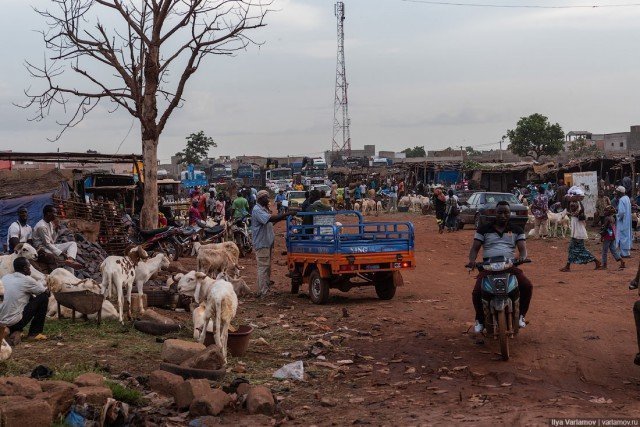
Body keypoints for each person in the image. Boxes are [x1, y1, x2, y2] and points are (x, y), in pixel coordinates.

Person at [465, 201, 532, 333]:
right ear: (495, 213)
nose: (503, 215)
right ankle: (480, 319)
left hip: (509, 265)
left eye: (506, 212)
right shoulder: (484, 229)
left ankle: (521, 316)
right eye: (500, 212)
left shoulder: (517, 230)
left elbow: (522, 249)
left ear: (510, 213)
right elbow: (474, 248)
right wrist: (472, 261)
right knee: (477, 292)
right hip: (488, 267)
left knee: (526, 286)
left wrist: (522, 257)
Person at [251, 190, 296, 297]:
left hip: (267, 242)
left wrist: (283, 217)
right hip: (262, 243)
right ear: (260, 199)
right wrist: (286, 214)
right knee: (263, 267)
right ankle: (263, 291)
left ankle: (265, 289)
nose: (268, 199)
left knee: (266, 267)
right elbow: (270, 219)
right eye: (266, 198)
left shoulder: (263, 209)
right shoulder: (257, 210)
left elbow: (270, 222)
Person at [0, 257, 50, 345]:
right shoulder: (27, 280)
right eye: (29, 267)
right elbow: (46, 292)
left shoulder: (5, 277)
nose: (30, 269)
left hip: (1, 321)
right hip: (14, 322)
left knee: (28, 295)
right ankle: (34, 333)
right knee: (43, 297)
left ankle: (11, 331)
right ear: (25, 268)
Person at [560, 187, 602, 271]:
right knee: (572, 248)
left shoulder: (574, 204)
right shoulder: (577, 203)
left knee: (579, 249)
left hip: (578, 230)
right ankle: (568, 266)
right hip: (578, 228)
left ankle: (596, 261)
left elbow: (570, 209)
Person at [33, 205, 79, 273]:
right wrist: (61, 253)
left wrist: (56, 231)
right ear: (48, 213)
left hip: (51, 246)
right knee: (62, 257)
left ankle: (70, 259)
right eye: (55, 213)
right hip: (43, 248)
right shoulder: (41, 226)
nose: (56, 215)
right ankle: (68, 266)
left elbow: (52, 240)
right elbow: (47, 244)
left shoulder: (50, 224)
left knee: (73, 244)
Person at [600, 205, 625, 270]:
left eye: (606, 211)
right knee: (613, 250)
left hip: (607, 235)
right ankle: (621, 261)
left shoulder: (607, 218)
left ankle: (604, 265)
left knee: (604, 251)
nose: (604, 212)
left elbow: (605, 228)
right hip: (612, 235)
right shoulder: (613, 218)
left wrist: (602, 236)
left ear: (609, 212)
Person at [616, 186, 633, 258]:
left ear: (620, 192)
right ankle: (627, 253)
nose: (616, 193)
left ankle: (624, 254)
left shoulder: (622, 200)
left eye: (617, 192)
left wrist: (617, 216)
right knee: (627, 236)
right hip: (627, 220)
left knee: (622, 237)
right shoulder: (627, 198)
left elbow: (622, 212)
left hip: (623, 221)